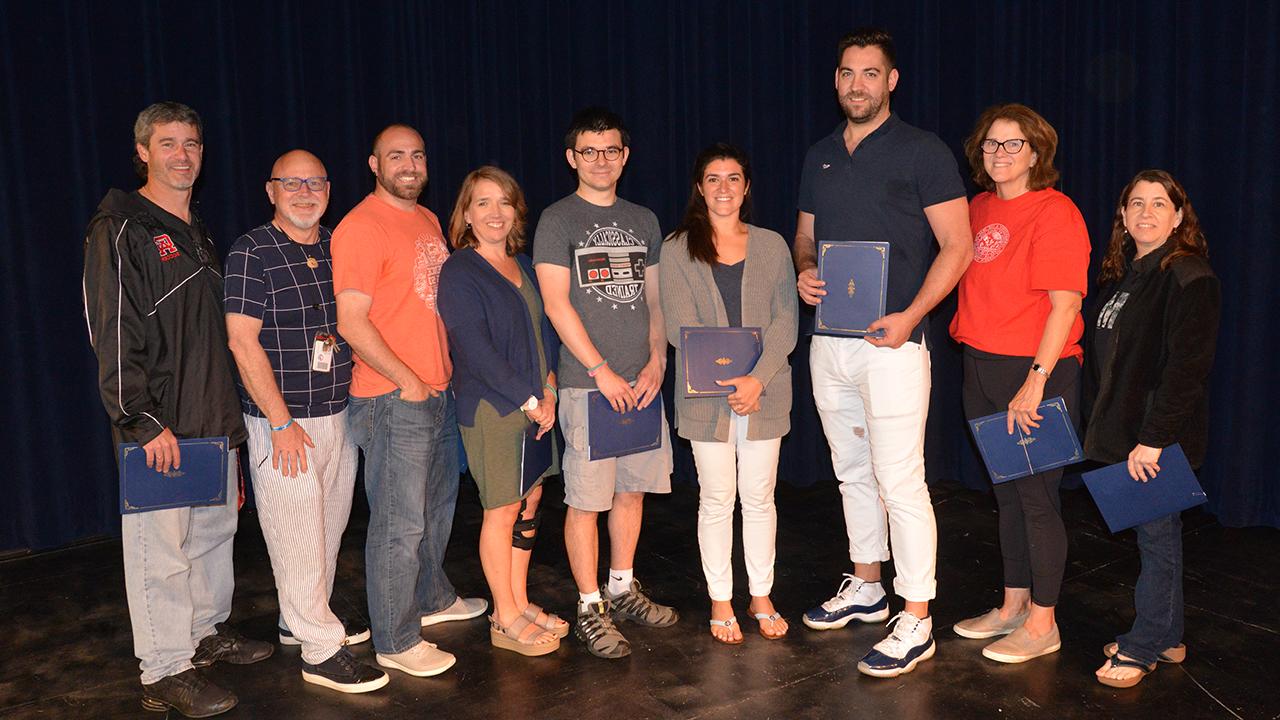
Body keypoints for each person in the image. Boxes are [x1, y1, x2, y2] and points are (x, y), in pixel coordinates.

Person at [82, 101, 272, 718]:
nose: (182, 155)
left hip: (212, 418)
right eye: (168, 144)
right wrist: (140, 420)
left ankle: (204, 634)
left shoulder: (196, 229)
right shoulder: (120, 228)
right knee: (159, 551)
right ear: (143, 152)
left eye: (191, 143)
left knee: (212, 539)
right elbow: (112, 333)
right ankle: (163, 668)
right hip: (159, 425)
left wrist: (231, 422)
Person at [792, 28, 973, 678]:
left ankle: (916, 616)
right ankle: (867, 584)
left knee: (901, 481)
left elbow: (959, 245)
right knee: (852, 471)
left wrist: (912, 317)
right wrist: (805, 272)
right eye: (847, 73)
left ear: (891, 81)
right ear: (836, 80)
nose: (857, 84)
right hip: (829, 344)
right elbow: (805, 238)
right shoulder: (818, 156)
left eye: (870, 73)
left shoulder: (923, 152)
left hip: (894, 346)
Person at [223, 150, 387, 693]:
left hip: (338, 413)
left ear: (329, 189)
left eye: (314, 182)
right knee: (295, 535)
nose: (304, 191)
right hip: (283, 422)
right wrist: (279, 421)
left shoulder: (337, 244)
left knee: (325, 530)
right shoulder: (251, 251)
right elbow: (242, 341)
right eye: (291, 182)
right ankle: (319, 650)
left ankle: (300, 618)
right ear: (271, 191)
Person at [331, 124, 486, 678]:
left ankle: (430, 597)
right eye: (396, 156)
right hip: (393, 398)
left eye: (417, 155)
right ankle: (396, 639)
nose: (410, 164)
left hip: (436, 391)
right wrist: (407, 380)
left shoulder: (423, 219)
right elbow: (352, 321)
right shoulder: (360, 227)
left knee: (435, 510)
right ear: (374, 165)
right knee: (399, 525)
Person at [533, 107, 679, 659]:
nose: (601, 160)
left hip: (640, 384)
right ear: (572, 158)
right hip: (588, 385)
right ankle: (590, 604)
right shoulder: (558, 219)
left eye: (611, 150)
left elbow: (655, 300)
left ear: (625, 156)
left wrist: (656, 363)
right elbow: (554, 302)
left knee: (631, 491)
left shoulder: (642, 219)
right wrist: (600, 370)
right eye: (589, 151)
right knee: (587, 500)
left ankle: (622, 585)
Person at [948, 105, 1091, 663]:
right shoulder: (976, 207)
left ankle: (1043, 623)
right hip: (980, 366)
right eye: (991, 144)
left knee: (1036, 499)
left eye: (1013, 145)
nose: (1000, 154)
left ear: (1036, 153)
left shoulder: (1056, 212)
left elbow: (1065, 306)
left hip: (1033, 371)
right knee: (1005, 494)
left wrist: (1036, 381)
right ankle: (1011, 606)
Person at [1084, 170, 1220, 688]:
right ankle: (1167, 636)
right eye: (1135, 203)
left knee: (1157, 542)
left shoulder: (1189, 275)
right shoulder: (1126, 275)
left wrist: (1155, 438)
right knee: (1157, 538)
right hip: (1124, 431)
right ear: (1122, 216)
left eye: (1159, 204)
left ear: (1179, 216)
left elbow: (1188, 369)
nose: (1146, 212)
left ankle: (1143, 646)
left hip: (1154, 439)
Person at [660, 144, 798, 644]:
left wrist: (756, 378)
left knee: (760, 498)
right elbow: (679, 328)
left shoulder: (773, 244)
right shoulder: (676, 248)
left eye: (733, 178)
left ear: (746, 187)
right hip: (705, 395)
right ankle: (722, 599)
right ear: (700, 187)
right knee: (717, 499)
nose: (723, 188)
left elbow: (788, 319)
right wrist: (731, 380)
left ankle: (761, 594)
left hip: (766, 390)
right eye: (713, 179)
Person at [438, 166, 567, 657]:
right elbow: (474, 348)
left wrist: (549, 387)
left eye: (504, 203)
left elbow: (544, 332)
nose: (495, 213)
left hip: (538, 404)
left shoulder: (525, 263)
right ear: (466, 214)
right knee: (503, 508)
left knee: (530, 502)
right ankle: (505, 614)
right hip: (495, 408)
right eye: (483, 203)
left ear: (516, 211)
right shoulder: (460, 271)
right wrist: (532, 400)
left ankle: (518, 599)